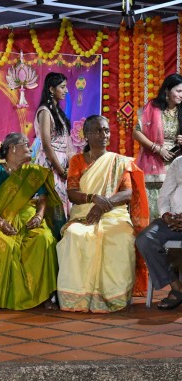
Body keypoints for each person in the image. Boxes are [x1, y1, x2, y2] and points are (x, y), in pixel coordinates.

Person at [57, 115, 149, 313]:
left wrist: (102, 206)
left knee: (121, 237)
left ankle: (114, 297)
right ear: (87, 135)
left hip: (114, 214)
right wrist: (93, 198)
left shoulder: (118, 161)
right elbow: (72, 193)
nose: (104, 134)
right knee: (74, 235)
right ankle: (77, 298)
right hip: (84, 214)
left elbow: (127, 193)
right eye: (98, 130)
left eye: (106, 130)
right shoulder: (77, 160)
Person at [0, 133, 61, 310]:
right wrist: (1, 223)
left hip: (30, 220)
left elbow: (42, 199)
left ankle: (44, 296)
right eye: (25, 144)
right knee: (2, 245)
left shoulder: (33, 172)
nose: (30, 148)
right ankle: (5, 297)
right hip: (4, 221)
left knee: (44, 239)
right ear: (12, 148)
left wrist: (39, 216)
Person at [133, 73, 182, 219]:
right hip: (153, 160)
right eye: (179, 91)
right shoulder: (153, 108)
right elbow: (136, 133)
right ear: (167, 90)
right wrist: (158, 149)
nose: (181, 95)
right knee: (152, 208)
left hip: (176, 162)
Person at [136, 156, 182, 310]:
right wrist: (166, 215)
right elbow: (164, 194)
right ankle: (176, 286)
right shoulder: (178, 162)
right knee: (145, 239)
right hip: (174, 220)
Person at [34, 72, 75, 219]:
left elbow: (68, 145)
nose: (66, 90)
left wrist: (70, 168)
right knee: (52, 207)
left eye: (66, 87)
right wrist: (61, 170)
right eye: (62, 87)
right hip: (50, 164)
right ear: (51, 89)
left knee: (63, 208)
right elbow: (46, 145)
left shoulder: (59, 113)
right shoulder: (45, 111)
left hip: (62, 165)